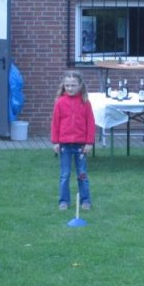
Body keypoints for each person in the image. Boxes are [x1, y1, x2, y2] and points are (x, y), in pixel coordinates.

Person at [51, 71, 95, 211]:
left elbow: (91, 123)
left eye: (73, 85)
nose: (70, 88)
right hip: (64, 145)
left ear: (80, 86)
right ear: (63, 86)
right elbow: (55, 123)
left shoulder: (85, 102)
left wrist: (89, 143)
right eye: (67, 85)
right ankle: (63, 201)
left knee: (82, 174)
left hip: (81, 145)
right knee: (65, 174)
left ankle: (85, 200)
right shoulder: (60, 102)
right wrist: (55, 142)